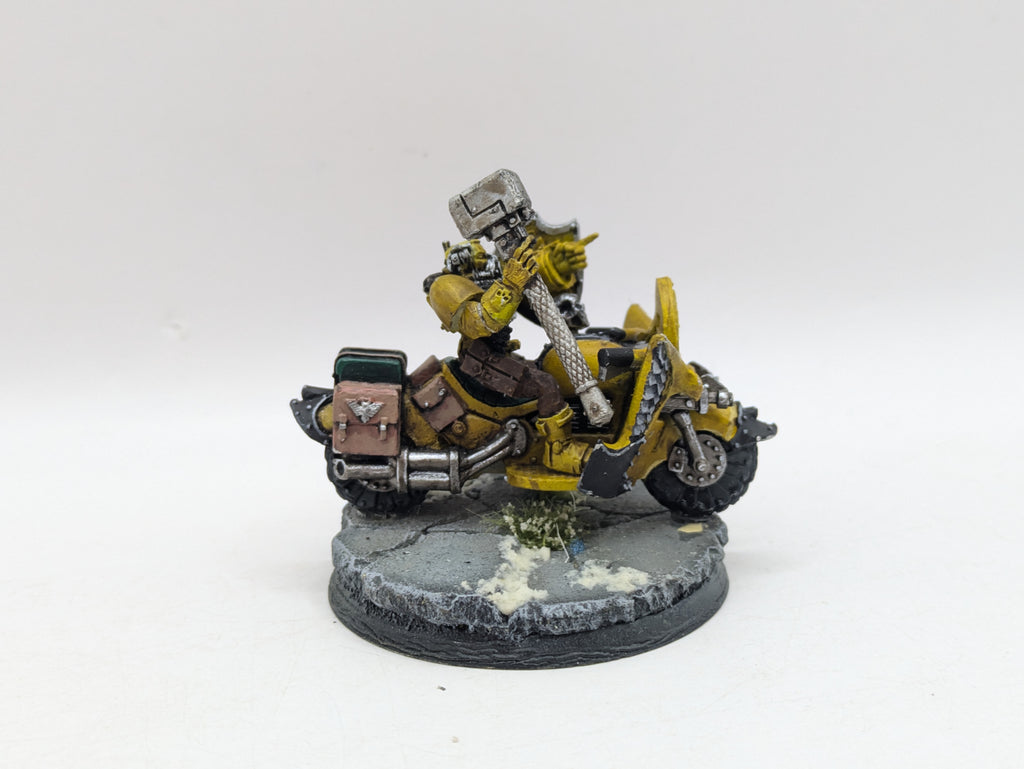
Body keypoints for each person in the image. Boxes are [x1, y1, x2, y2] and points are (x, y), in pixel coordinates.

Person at [424, 228, 597, 475]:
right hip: (481, 361)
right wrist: (511, 284)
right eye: (478, 262)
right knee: (546, 385)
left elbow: (527, 272)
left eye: (484, 259)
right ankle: (558, 450)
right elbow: (482, 322)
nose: (485, 267)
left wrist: (555, 263)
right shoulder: (446, 288)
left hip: (495, 354)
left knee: (548, 367)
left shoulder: (490, 275)